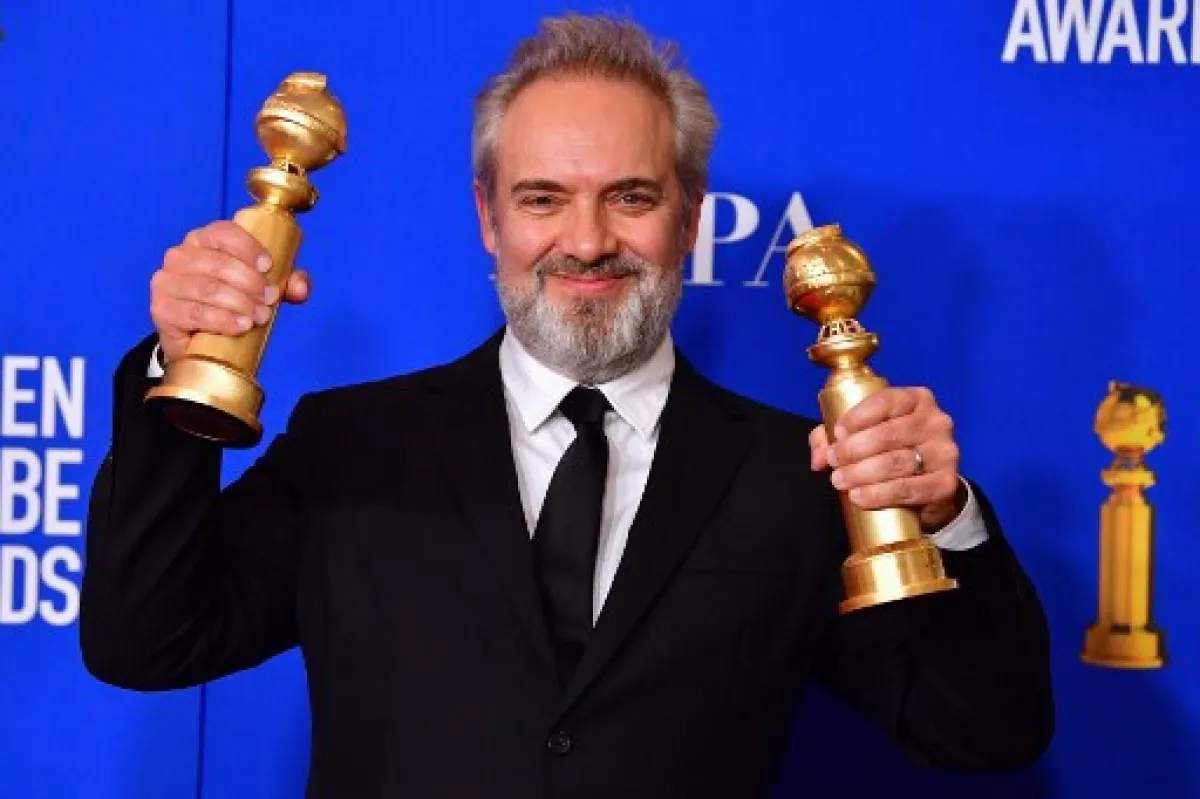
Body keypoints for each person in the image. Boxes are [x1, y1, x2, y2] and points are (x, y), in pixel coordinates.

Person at [80, 13, 1054, 798]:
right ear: (487, 217)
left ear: (692, 219)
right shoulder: (352, 443)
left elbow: (980, 732)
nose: (586, 242)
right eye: (543, 198)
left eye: (630, 195)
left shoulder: (796, 473)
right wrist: (183, 363)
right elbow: (147, 639)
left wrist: (946, 520)